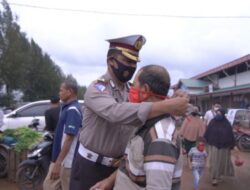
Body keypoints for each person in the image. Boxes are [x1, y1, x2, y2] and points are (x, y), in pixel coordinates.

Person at [70, 35, 189, 190]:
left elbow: (152, 101)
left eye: (134, 62)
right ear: (111, 61)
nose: (132, 66)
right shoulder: (97, 88)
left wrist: (176, 98)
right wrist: (168, 105)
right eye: (127, 61)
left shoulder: (133, 90)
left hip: (121, 169)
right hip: (91, 167)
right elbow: (115, 112)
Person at [43, 79, 83, 190]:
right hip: (61, 161)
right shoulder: (66, 108)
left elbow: (69, 138)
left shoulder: (73, 110)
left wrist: (58, 163)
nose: (59, 93)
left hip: (66, 163)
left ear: (69, 92)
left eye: (61, 90)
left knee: (51, 186)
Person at [204, 108, 238, 186]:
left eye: (220, 113)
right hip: (214, 146)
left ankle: (218, 175)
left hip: (224, 147)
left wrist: (232, 145)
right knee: (214, 162)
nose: (218, 115)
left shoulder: (227, 124)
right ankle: (214, 178)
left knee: (222, 162)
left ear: (223, 114)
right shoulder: (212, 122)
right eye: (217, 113)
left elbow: (230, 135)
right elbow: (208, 133)